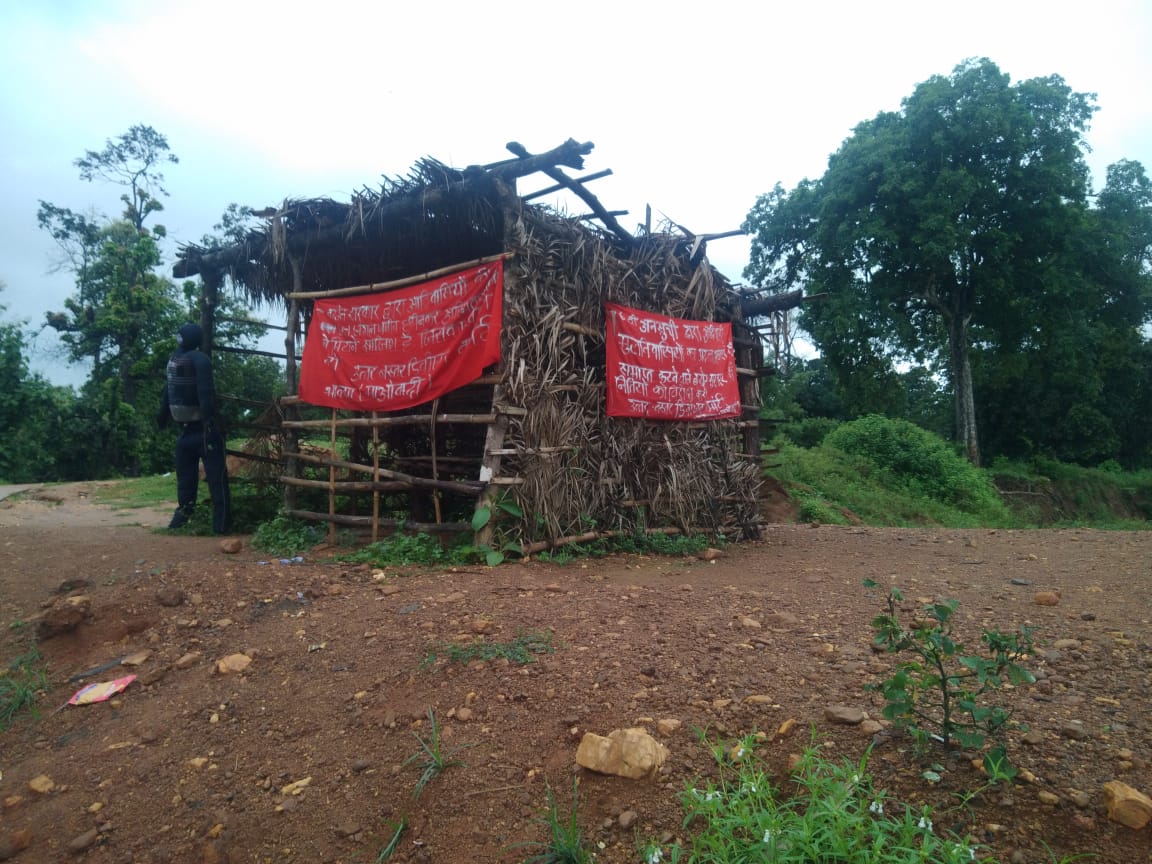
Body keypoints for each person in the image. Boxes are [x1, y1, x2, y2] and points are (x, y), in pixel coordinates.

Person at [157, 322, 232, 533]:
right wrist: (162, 415)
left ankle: (222, 524)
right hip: (186, 430)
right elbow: (168, 389)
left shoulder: (200, 360)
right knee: (185, 478)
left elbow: (205, 392)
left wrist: (209, 422)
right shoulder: (175, 359)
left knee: (216, 480)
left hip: (204, 430)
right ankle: (183, 515)